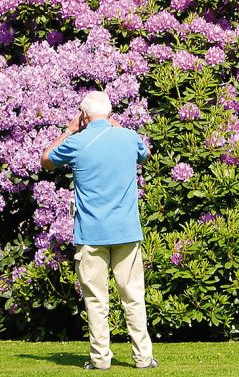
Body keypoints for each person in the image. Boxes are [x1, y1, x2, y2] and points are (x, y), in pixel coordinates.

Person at [41, 91, 158, 370]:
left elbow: (46, 159)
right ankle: (143, 357)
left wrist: (68, 130)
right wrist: (114, 124)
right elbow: (146, 155)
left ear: (83, 115)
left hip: (92, 233)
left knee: (96, 300)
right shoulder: (129, 137)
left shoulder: (77, 142)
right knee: (133, 297)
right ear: (109, 113)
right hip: (127, 231)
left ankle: (100, 359)